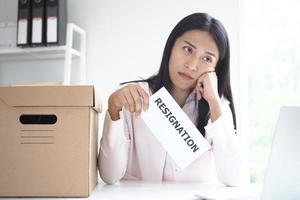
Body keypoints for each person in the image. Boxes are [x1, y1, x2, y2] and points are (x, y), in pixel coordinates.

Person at [98, 13, 248, 186]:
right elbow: (109, 176)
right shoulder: (133, 98)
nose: (191, 65)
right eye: (188, 49)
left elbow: (234, 178)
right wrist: (114, 111)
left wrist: (214, 102)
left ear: (216, 68)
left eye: (207, 59)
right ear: (171, 47)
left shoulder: (218, 109)